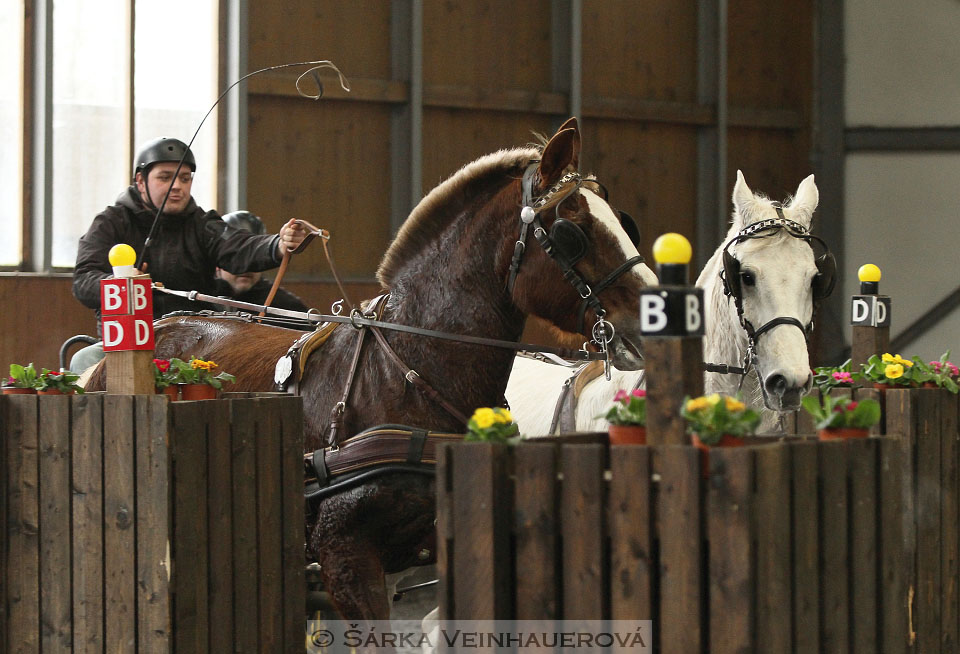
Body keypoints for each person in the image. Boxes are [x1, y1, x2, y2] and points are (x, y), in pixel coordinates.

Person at [69, 136, 308, 371]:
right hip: (127, 343)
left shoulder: (202, 224)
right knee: (83, 360)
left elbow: (238, 246)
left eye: (185, 179)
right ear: (140, 181)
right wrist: (118, 284)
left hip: (194, 346)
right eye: (165, 178)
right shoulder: (110, 223)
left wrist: (277, 244)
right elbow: (83, 280)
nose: (177, 186)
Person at [212, 211, 309, 312]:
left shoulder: (288, 307)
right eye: (240, 257)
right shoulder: (200, 298)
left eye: (253, 257)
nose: (247, 267)